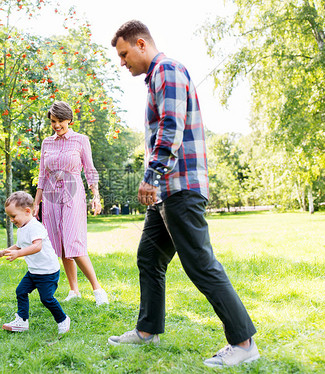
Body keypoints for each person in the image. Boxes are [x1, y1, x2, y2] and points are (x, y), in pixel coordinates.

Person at [108, 20, 260, 368]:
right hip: (166, 191)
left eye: (124, 54)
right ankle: (148, 331)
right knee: (149, 257)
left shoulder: (168, 70)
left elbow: (171, 126)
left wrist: (151, 175)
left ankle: (243, 342)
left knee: (200, 263)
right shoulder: (155, 77)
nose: (122, 62)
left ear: (141, 44)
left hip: (180, 187)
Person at [33, 101, 109, 306]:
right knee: (61, 245)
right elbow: (42, 174)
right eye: (53, 122)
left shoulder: (80, 140)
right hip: (50, 197)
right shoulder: (47, 143)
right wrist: (36, 204)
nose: (56, 126)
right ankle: (74, 291)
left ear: (69, 120)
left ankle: (98, 290)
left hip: (73, 194)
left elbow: (90, 170)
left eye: (60, 121)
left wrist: (96, 196)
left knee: (74, 243)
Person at [0, 191, 70, 334]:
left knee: (46, 299)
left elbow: (37, 246)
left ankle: (63, 319)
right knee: (21, 291)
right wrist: (3, 252)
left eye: (13, 216)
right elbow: (20, 245)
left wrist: (18, 254)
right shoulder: (22, 227)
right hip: (34, 271)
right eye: (9, 217)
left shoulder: (35, 226)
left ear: (27, 211)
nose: (11, 220)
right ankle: (22, 321)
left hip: (47, 272)